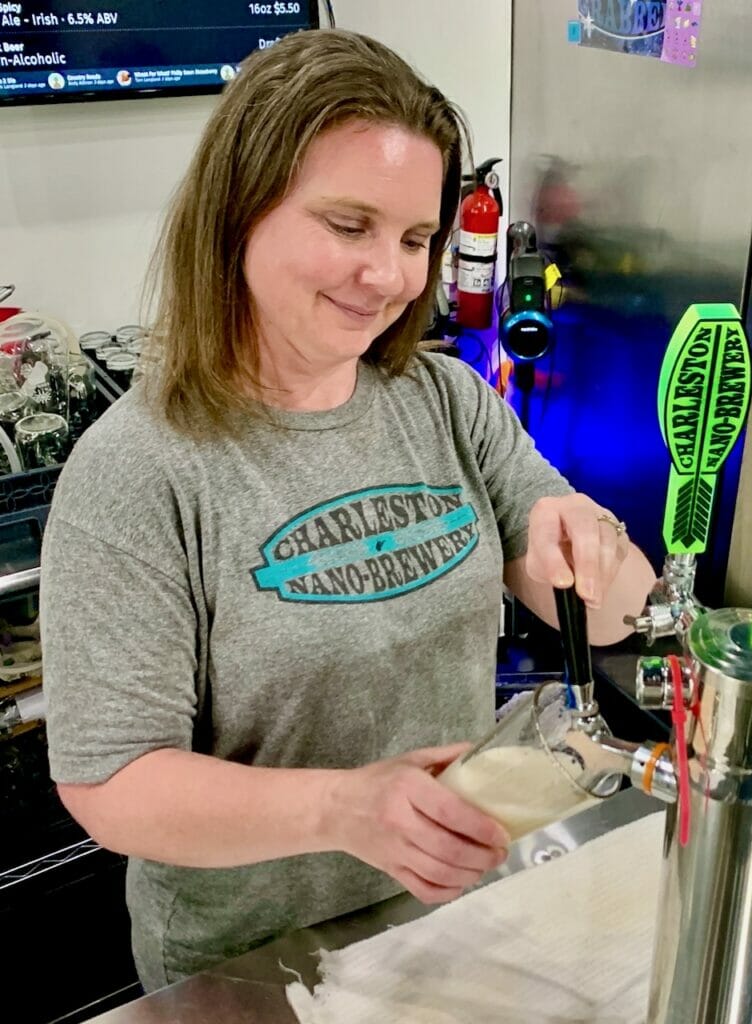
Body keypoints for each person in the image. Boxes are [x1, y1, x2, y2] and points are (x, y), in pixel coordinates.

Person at [40, 29, 656, 992]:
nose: (389, 275)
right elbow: (110, 785)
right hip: (252, 967)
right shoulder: (137, 471)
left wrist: (595, 544)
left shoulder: (444, 399)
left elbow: (613, 617)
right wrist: (343, 809)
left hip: (458, 914)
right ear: (240, 214)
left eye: (416, 240)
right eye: (348, 224)